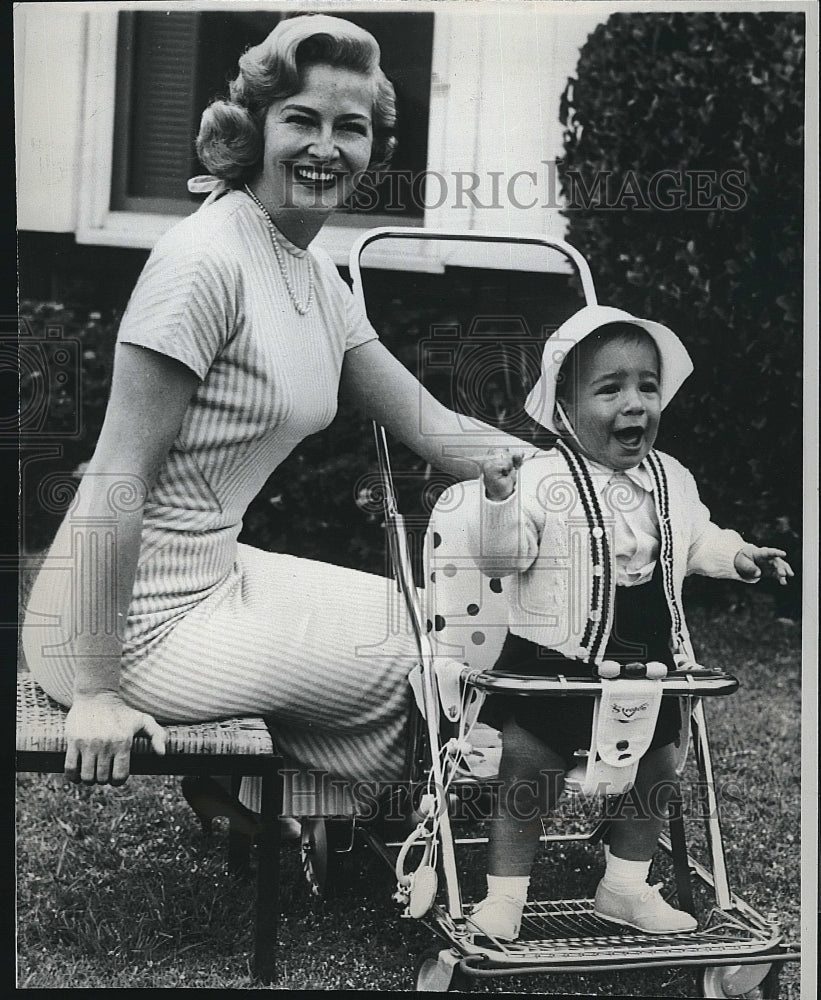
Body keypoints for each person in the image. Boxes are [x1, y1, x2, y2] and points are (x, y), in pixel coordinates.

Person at [20, 14, 531, 816]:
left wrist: (590, 475)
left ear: (374, 149)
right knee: (429, 664)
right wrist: (95, 689)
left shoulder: (312, 271)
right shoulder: (203, 262)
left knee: (437, 621)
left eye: (350, 128)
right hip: (124, 625)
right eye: (300, 118)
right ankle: (292, 801)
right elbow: (113, 478)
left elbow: (433, 425)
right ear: (253, 127)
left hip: (216, 575)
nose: (325, 147)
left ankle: (275, 798)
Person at [467, 304, 793, 939]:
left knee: (657, 764)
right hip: (556, 654)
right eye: (610, 388)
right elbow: (503, 558)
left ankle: (624, 886)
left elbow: (698, 538)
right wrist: (501, 501)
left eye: (648, 385)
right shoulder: (541, 478)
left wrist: (739, 556)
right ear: (562, 408)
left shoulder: (671, 477)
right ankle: (504, 895)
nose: (635, 402)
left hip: (650, 652)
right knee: (529, 766)